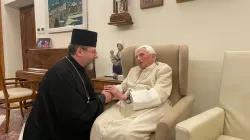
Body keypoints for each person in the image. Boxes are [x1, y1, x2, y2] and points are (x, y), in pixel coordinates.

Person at [23, 29, 113, 140]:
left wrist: (104, 94)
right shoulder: (61, 75)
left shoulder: (77, 68)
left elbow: (87, 95)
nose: (96, 56)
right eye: (93, 52)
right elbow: (78, 119)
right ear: (80, 51)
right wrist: (103, 98)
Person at [90, 45, 173, 140]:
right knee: (98, 123)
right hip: (125, 105)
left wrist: (126, 97)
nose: (138, 58)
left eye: (141, 55)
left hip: (151, 108)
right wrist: (111, 90)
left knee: (127, 133)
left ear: (153, 56)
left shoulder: (163, 69)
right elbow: (123, 86)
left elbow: (159, 94)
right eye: (136, 56)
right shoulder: (133, 70)